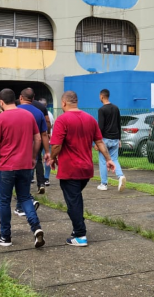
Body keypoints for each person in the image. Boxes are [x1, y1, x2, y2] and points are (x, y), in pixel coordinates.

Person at [48, 91, 115, 246]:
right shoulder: (90, 119)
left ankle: (80, 235)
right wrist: (109, 159)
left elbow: (56, 145)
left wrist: (52, 158)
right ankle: (76, 228)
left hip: (70, 169)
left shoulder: (62, 120)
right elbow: (99, 142)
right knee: (75, 199)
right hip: (86, 169)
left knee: (73, 202)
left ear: (63, 103)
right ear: (76, 102)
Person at [0, 89, 45, 248]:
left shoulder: (0, 118)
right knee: (25, 197)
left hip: (7, 166)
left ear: (1, 102)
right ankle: (36, 228)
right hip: (26, 165)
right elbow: (38, 138)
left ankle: (5, 236)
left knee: (4, 201)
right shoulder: (29, 116)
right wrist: (33, 157)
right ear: (16, 99)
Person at [19, 90, 49, 196]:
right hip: (36, 141)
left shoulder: (15, 110)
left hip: (20, 143)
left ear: (21, 97)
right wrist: (47, 151)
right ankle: (41, 183)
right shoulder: (39, 112)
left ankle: (23, 192)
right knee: (37, 160)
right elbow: (44, 134)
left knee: (21, 166)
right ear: (33, 98)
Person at [97, 89, 126, 192]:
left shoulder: (101, 110)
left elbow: (100, 127)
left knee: (103, 161)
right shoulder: (116, 108)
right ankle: (120, 176)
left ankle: (104, 184)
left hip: (104, 139)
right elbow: (119, 124)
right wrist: (119, 139)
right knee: (114, 159)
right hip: (115, 139)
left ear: (102, 96)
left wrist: (98, 141)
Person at [40, 98, 55, 187]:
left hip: (40, 138)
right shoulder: (50, 114)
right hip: (49, 139)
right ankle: (46, 178)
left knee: (36, 159)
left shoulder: (37, 113)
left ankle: (32, 177)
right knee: (47, 158)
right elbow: (52, 124)